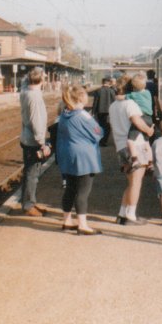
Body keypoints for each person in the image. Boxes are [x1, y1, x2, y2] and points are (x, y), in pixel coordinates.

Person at [57, 84, 104, 235]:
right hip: (83, 157)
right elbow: (99, 133)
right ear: (81, 98)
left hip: (67, 155)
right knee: (83, 191)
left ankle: (67, 220)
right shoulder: (83, 115)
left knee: (70, 189)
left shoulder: (64, 114)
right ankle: (82, 225)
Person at [109, 75, 155, 225]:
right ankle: (131, 215)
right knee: (136, 183)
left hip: (121, 147)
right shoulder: (131, 105)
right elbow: (137, 122)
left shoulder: (113, 106)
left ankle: (122, 214)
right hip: (136, 146)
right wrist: (148, 131)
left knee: (130, 182)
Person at [19, 66, 50, 217]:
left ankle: (28, 202)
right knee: (32, 173)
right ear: (42, 79)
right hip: (33, 140)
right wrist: (42, 143)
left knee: (29, 172)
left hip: (26, 137)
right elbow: (37, 121)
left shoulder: (25, 92)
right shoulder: (36, 97)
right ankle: (28, 205)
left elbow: (24, 82)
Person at [125, 73, 154, 152]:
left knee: (130, 140)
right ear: (144, 85)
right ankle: (150, 160)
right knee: (147, 142)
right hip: (149, 118)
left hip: (141, 118)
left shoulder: (132, 95)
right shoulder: (148, 93)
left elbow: (124, 98)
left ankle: (134, 158)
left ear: (133, 87)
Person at [91, 77, 116, 147]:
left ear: (102, 82)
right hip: (109, 112)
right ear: (109, 83)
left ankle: (100, 140)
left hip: (99, 111)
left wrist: (93, 112)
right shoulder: (111, 91)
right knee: (107, 127)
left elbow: (95, 102)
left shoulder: (98, 91)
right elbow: (114, 102)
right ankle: (104, 141)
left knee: (100, 126)